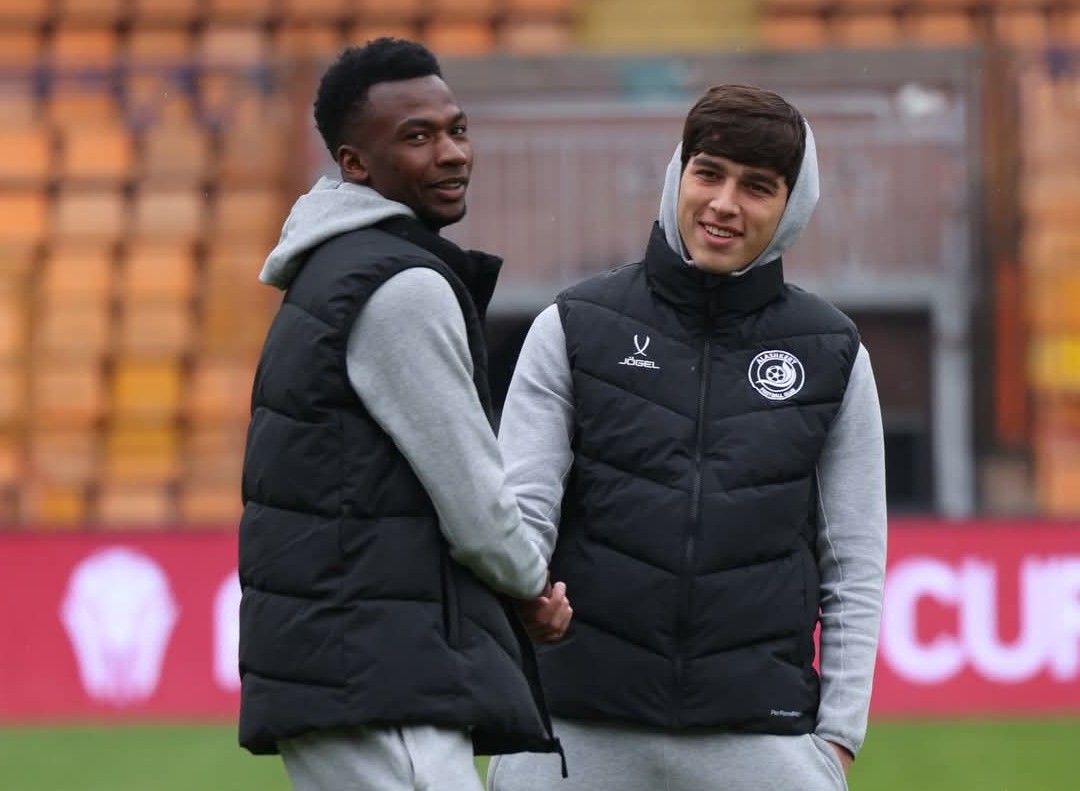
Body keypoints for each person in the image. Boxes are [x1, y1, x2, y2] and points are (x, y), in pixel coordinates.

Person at [490, 84, 887, 791]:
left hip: (760, 737)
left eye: (757, 186)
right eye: (710, 173)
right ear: (679, 175)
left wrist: (837, 739)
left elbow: (853, 564)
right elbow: (521, 513)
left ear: (792, 206)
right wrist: (522, 608)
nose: (725, 203)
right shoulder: (573, 326)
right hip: (573, 729)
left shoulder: (834, 353)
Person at [235, 38, 570, 791]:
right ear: (355, 164)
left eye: (457, 129)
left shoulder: (334, 270)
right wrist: (530, 584)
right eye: (417, 137)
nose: (451, 153)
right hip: (380, 671)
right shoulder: (398, 287)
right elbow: (474, 498)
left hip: (349, 664)